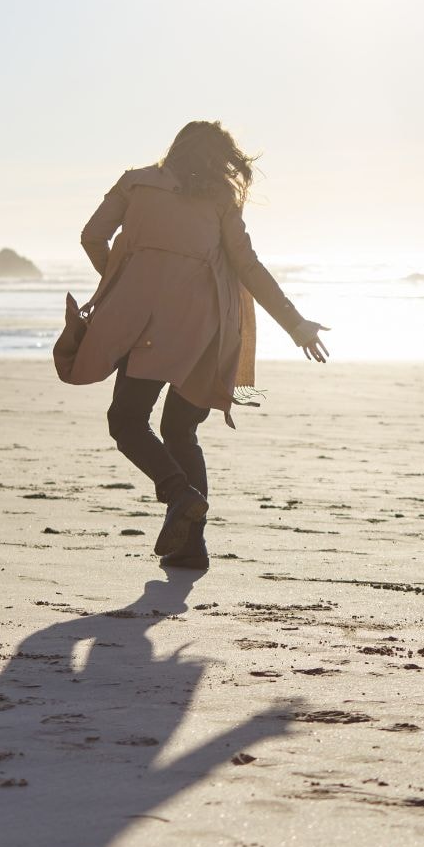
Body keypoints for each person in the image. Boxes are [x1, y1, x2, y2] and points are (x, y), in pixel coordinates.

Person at [63, 122, 329, 570]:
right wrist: (295, 324)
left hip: (145, 323)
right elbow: (248, 266)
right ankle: (191, 547)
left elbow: (92, 235)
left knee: (126, 420)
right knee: (181, 430)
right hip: (206, 329)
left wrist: (124, 279)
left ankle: (180, 493)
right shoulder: (221, 200)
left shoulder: (135, 181)